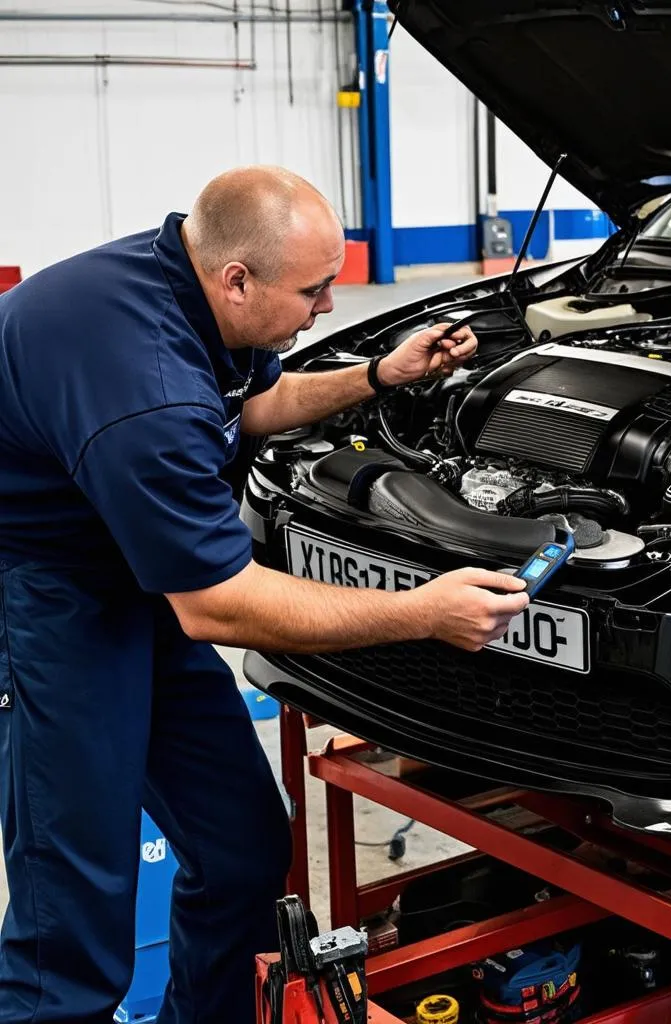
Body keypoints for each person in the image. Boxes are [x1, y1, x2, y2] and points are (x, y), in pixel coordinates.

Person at [0, 166, 530, 1024]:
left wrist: (378, 375)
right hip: (45, 590)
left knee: (242, 845)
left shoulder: (199, 283)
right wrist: (422, 612)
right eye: (316, 291)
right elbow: (218, 605)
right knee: (75, 906)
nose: (327, 307)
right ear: (238, 279)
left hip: (141, 565)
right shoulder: (145, 391)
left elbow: (257, 400)